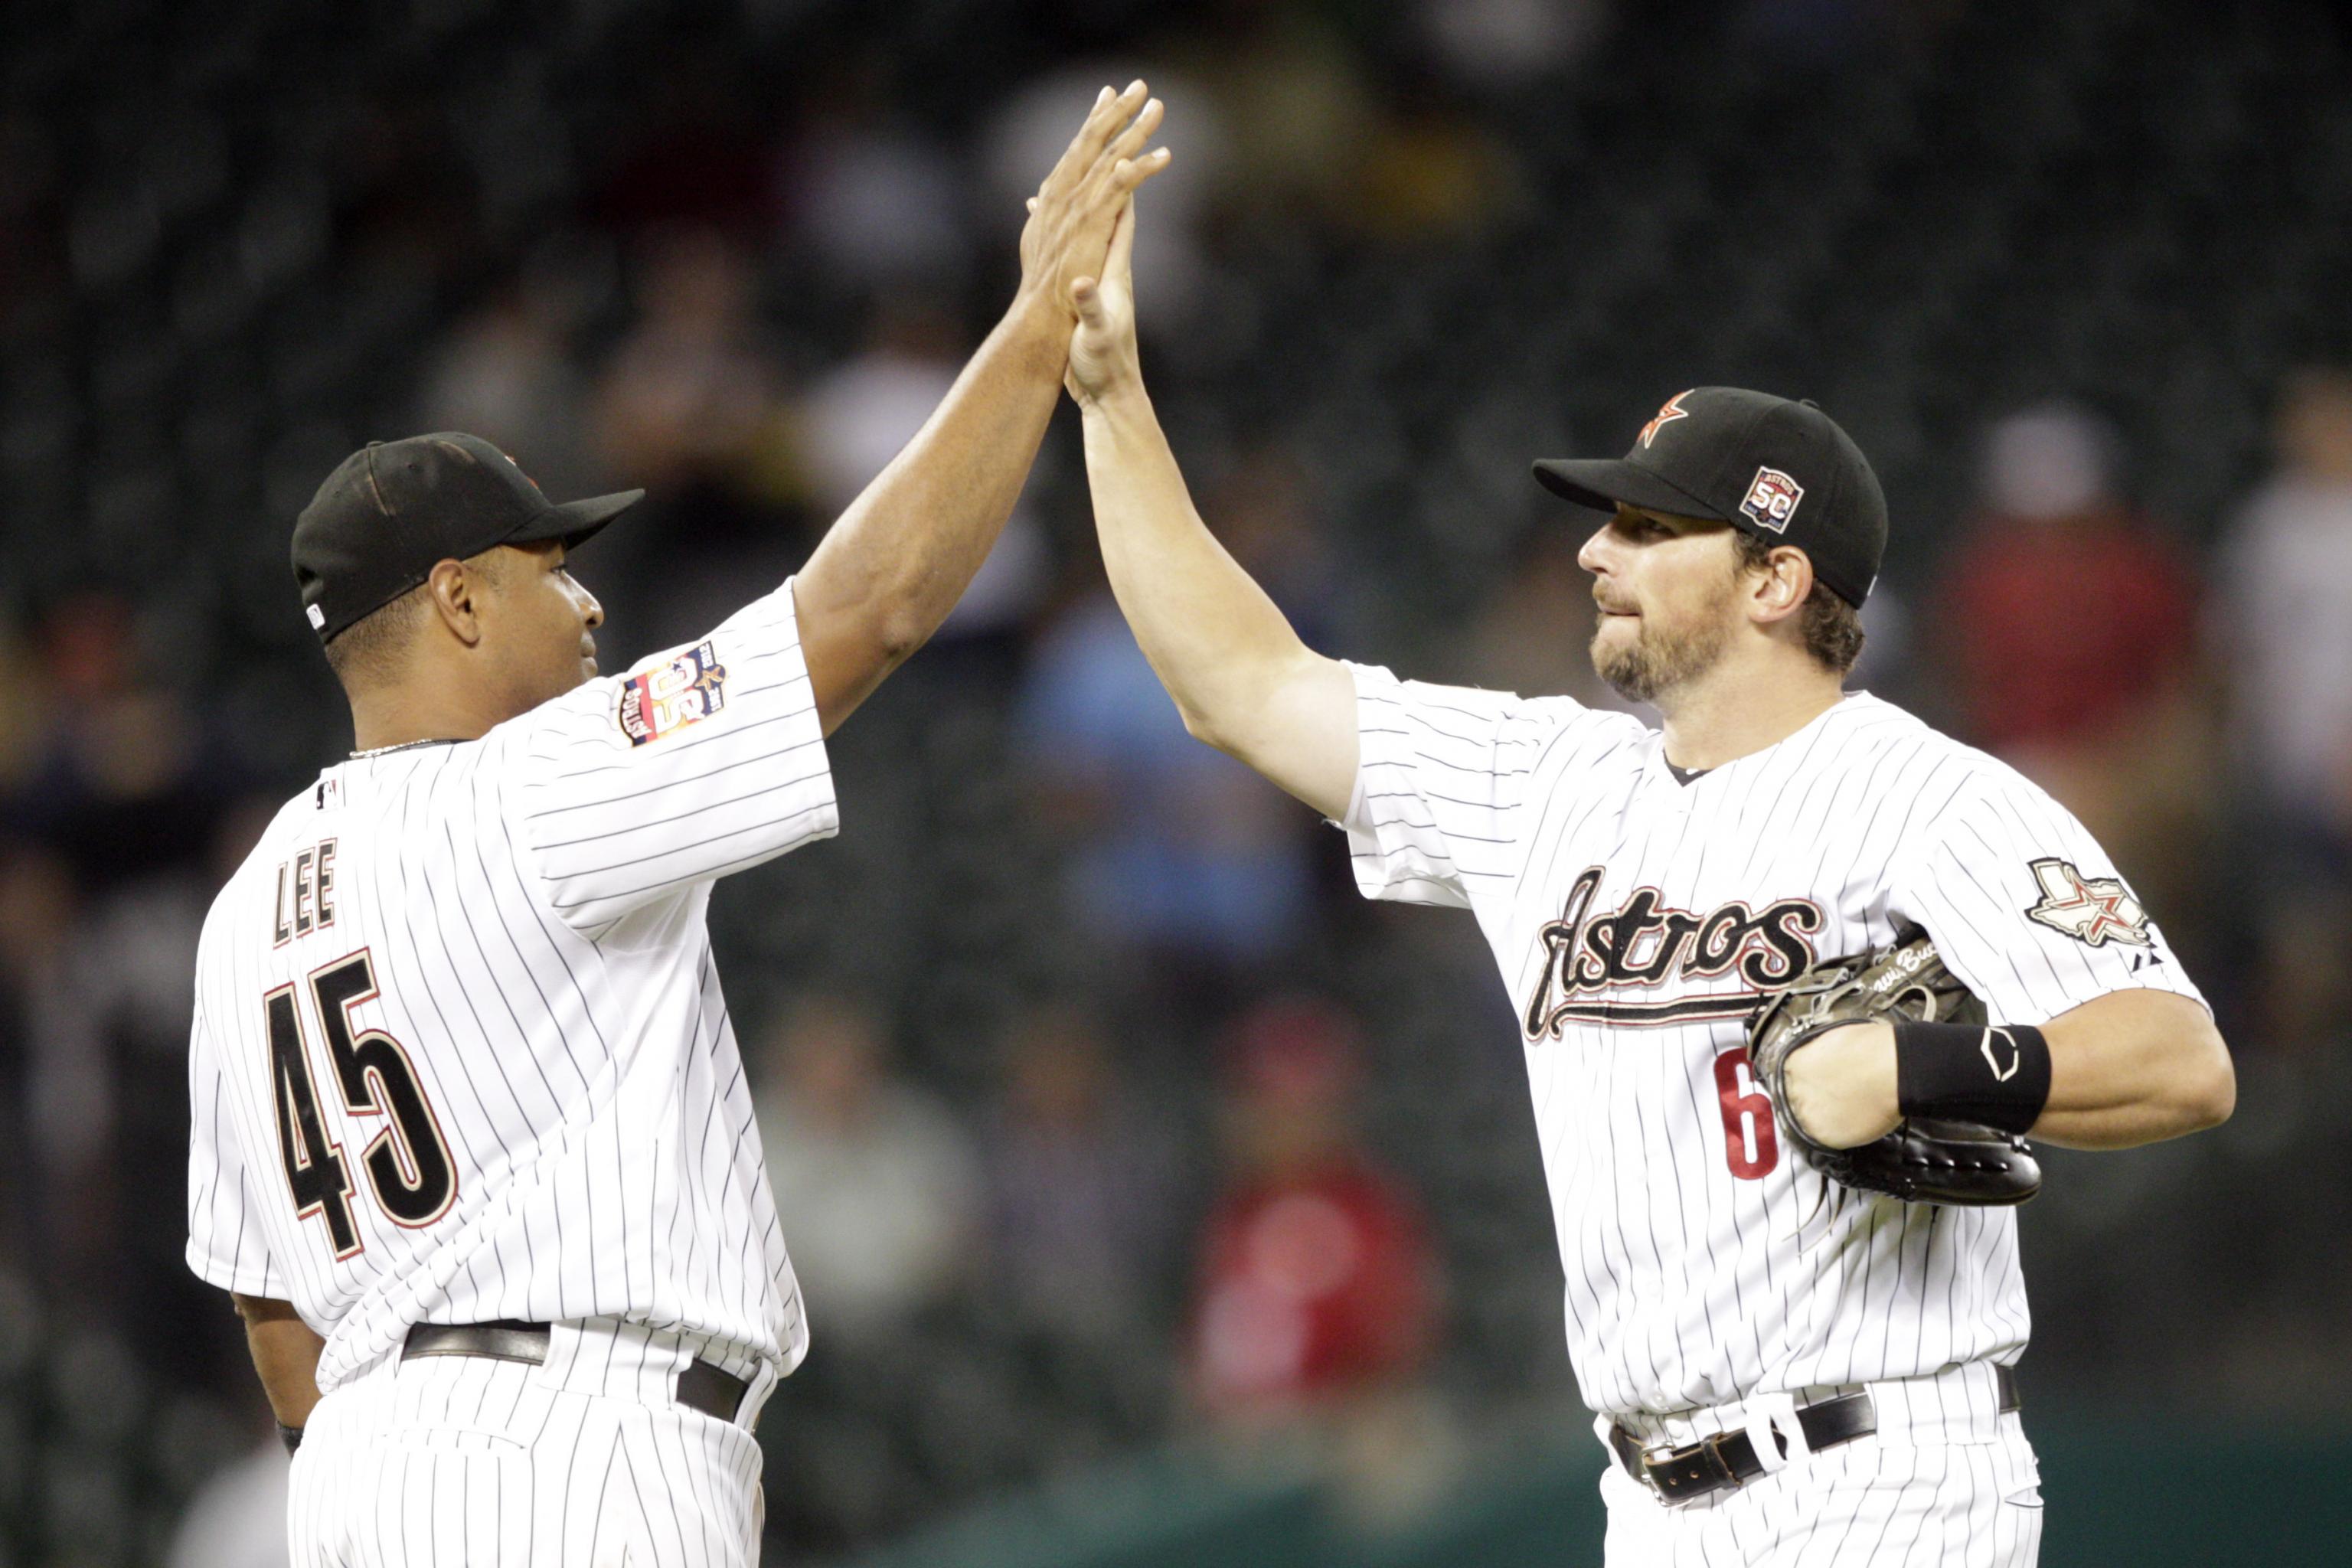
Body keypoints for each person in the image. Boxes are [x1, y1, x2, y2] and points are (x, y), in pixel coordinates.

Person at [1060, 199, 2235, 1565]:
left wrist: (1929, 1070)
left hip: (1887, 1477)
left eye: (1647, 525)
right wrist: (1109, 398)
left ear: (1776, 578)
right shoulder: (1546, 784)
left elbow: (2180, 1057)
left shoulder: (1935, 797)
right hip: (1651, 1501)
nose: (1592, 553)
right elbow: (1246, 688)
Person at [181, 84, 1169, 1566]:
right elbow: (870, 611)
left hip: (362, 1481)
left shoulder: (242, 908)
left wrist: (390, 1477)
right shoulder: (539, 780)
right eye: (546, 566)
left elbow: (270, 1309)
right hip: (584, 1449)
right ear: (455, 599)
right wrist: (1034, 322)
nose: (587, 600)